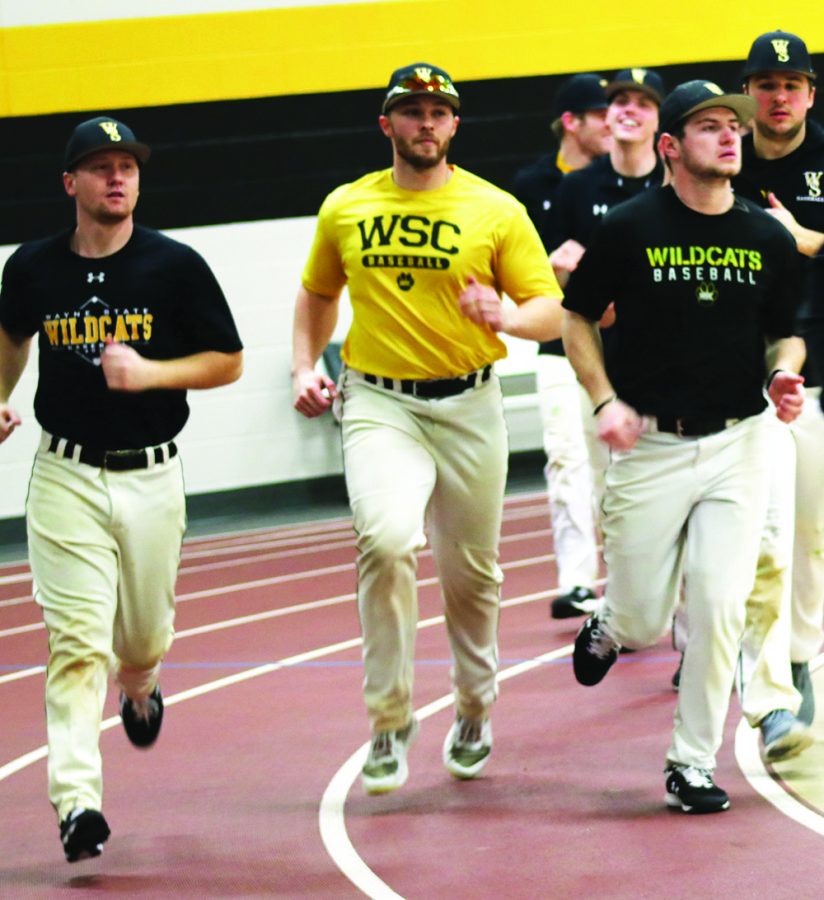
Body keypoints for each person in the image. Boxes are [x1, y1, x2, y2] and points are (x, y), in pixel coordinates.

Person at [291, 63, 562, 795]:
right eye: (411, 112)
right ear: (387, 124)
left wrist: (507, 317)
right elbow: (318, 292)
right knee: (383, 540)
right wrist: (302, 365)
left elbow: (549, 308)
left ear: (454, 126)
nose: (425, 124)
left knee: (471, 575)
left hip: (470, 403)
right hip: (380, 401)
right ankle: (389, 717)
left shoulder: (495, 208)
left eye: (438, 113)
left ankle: (473, 706)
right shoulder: (345, 207)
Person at [0, 116, 243, 861]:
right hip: (64, 476)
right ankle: (77, 802)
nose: (117, 178)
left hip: (152, 477)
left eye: (127, 167)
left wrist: (151, 373)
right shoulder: (32, 268)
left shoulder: (174, 266)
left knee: (140, 639)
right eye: (101, 167)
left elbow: (227, 360)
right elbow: (11, 341)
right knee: (76, 643)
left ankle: (141, 686)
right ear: (69, 182)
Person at [563, 80, 805, 814]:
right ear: (670, 146)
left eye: (732, 125)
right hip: (652, 446)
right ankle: (612, 622)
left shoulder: (767, 236)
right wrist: (605, 400)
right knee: (641, 618)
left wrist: (784, 374)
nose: (729, 136)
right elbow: (575, 322)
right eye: (707, 127)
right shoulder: (631, 228)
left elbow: (783, 330)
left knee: (721, 604)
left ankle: (690, 762)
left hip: (739, 441)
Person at [540, 67, 666, 619]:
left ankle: (663, 604)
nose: (628, 110)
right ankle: (598, 590)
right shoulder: (577, 188)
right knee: (588, 472)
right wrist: (566, 273)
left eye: (643, 101)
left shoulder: (674, 179)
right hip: (587, 354)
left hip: (656, 357)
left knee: (654, 483)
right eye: (619, 101)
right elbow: (557, 278)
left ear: (661, 120)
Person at [733, 30, 824, 734]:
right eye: (767, 84)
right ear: (751, 93)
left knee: (810, 531)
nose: (780, 95)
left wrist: (805, 238)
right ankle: (768, 683)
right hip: (752, 373)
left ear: (809, 94)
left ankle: (797, 655)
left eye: (791, 84)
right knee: (767, 533)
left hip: (819, 363)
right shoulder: (723, 158)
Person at [512, 72, 612, 249]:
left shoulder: (616, 179)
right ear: (571, 121)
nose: (611, 123)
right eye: (602, 116)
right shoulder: (531, 183)